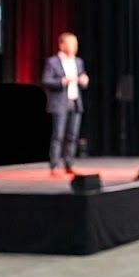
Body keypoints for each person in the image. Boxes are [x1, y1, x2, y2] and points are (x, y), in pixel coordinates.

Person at [42, 33, 89, 176]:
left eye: (75, 44)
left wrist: (84, 80)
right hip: (60, 102)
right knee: (58, 135)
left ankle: (69, 163)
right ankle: (54, 166)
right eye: (71, 44)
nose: (75, 47)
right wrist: (63, 81)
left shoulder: (78, 62)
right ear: (62, 45)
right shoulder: (52, 62)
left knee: (72, 136)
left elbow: (82, 78)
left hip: (75, 102)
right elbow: (46, 80)